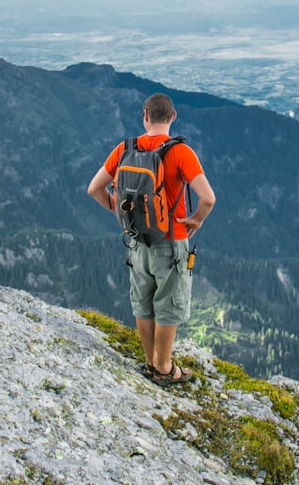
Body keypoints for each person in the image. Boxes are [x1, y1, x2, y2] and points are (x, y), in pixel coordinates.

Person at [87, 93, 216, 386]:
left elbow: (94, 189)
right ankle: (164, 367)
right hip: (171, 241)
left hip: (136, 240)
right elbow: (208, 198)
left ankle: (149, 362)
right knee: (168, 305)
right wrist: (197, 218)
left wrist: (120, 213)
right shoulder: (181, 152)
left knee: (143, 302)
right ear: (173, 117)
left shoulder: (125, 148)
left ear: (145, 115)